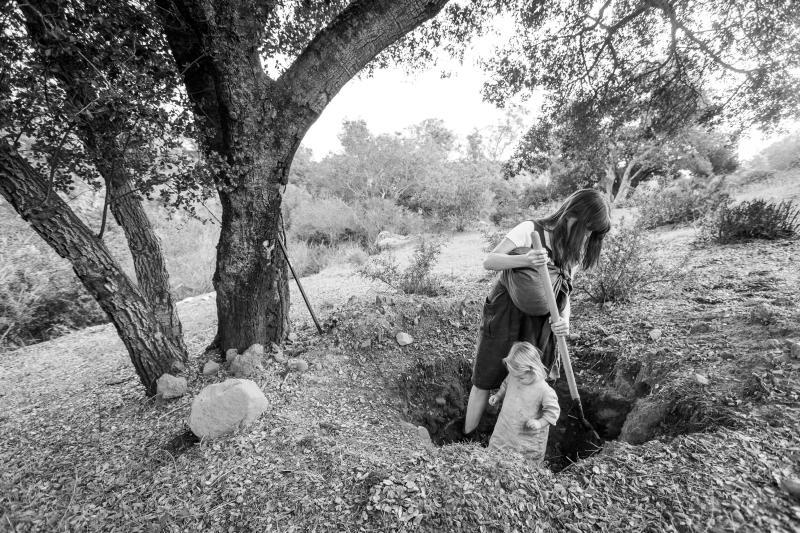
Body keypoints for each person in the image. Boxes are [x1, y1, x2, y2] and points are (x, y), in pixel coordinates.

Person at [464, 189, 611, 436]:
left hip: (540, 323)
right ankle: (466, 437)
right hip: (504, 313)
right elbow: (490, 261)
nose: (587, 237)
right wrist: (527, 259)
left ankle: (513, 441)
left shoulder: (574, 249)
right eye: (587, 229)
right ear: (572, 215)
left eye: (592, 233)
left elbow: (565, 293)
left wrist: (564, 321)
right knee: (485, 377)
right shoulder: (530, 229)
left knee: (528, 381)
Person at [487, 342, 560, 464]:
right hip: (505, 429)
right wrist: (498, 396)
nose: (517, 379)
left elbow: (552, 413)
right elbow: (506, 385)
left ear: (533, 369)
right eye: (514, 375)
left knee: (524, 465)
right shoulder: (514, 376)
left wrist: (539, 423)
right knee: (496, 457)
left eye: (520, 377)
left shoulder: (544, 390)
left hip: (527, 439)